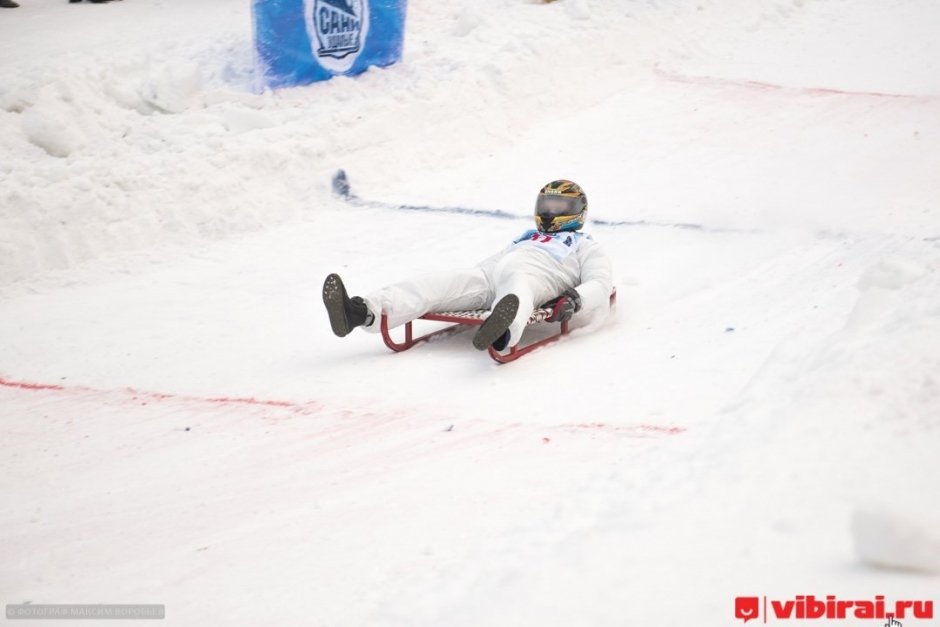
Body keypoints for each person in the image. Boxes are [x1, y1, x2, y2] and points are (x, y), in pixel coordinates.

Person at [323, 180, 613, 351]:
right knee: (436, 284)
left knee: (517, 292)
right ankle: (361, 311)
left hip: (539, 276)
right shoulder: (527, 236)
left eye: (559, 208)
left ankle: (502, 332)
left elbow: (601, 283)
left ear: (578, 212)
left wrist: (576, 300)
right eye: (547, 207)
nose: (551, 213)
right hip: (488, 274)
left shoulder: (586, 246)